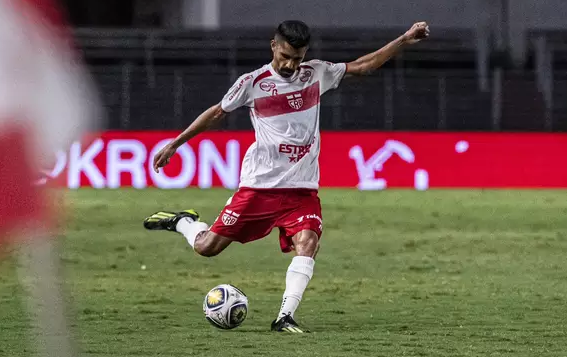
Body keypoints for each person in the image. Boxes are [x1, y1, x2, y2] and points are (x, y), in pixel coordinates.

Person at [143, 20, 429, 333]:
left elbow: (363, 66)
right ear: (274, 46)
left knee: (308, 242)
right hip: (260, 188)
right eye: (287, 56)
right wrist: (176, 143)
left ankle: (284, 317)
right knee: (207, 247)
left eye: (298, 57)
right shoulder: (253, 83)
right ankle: (184, 221)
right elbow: (216, 113)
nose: (292, 64)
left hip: (301, 189)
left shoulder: (316, 73)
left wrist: (403, 39)